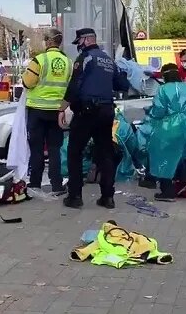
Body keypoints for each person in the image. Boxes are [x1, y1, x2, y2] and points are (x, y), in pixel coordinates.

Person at [58, 28, 130, 209]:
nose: (78, 46)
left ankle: (74, 196)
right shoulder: (109, 60)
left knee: (75, 152)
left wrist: (62, 107)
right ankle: (107, 197)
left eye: (79, 42)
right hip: (106, 111)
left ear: (87, 40)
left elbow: (74, 84)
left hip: (86, 112)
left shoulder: (85, 58)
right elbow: (122, 85)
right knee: (105, 153)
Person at [145, 64, 186, 201]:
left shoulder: (163, 89)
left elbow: (159, 110)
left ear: (165, 76)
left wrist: (150, 113)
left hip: (170, 126)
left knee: (163, 155)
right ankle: (185, 178)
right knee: (183, 153)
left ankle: (167, 191)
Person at [22, 28, 71, 195]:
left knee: (36, 149)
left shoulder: (39, 60)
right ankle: (56, 184)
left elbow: (28, 83)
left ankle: (35, 183)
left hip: (37, 111)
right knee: (54, 149)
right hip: (56, 112)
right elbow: (71, 88)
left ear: (49, 42)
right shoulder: (68, 62)